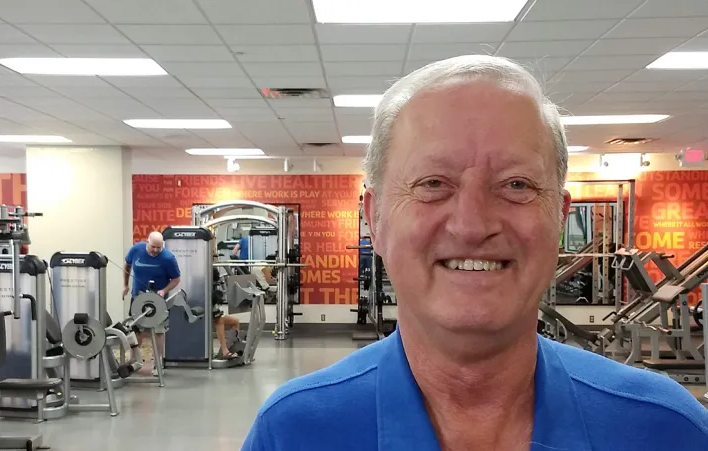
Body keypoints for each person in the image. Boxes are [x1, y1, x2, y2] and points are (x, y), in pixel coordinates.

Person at [242, 55, 708, 450]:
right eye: (432, 185)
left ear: (558, 217)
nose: (472, 224)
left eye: (517, 185)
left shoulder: (666, 430)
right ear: (375, 220)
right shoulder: (293, 432)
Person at [123, 231, 181, 375]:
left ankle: (157, 363)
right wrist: (125, 285)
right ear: (147, 242)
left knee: (158, 331)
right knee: (136, 330)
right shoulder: (136, 250)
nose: (155, 250)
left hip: (157, 300)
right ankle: (134, 360)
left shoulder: (168, 258)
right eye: (153, 246)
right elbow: (127, 265)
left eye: (159, 247)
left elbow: (176, 279)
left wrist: (164, 290)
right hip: (138, 297)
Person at [211, 267, 242, 359]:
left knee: (235, 321)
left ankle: (231, 348)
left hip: (212, 312)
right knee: (219, 320)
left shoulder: (212, 286)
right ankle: (225, 351)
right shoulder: (202, 284)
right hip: (203, 314)